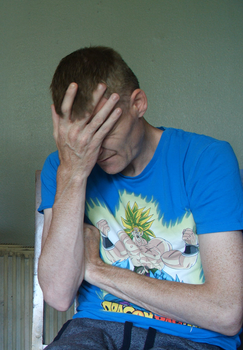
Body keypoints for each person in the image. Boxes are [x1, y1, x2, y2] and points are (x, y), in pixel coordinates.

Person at [38, 46, 243, 350]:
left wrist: (94, 268)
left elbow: (226, 312)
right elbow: (57, 294)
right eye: (80, 136)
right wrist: (74, 173)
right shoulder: (64, 166)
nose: (91, 149)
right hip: (97, 329)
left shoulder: (207, 159)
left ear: (138, 103)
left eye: (104, 131)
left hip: (193, 339)